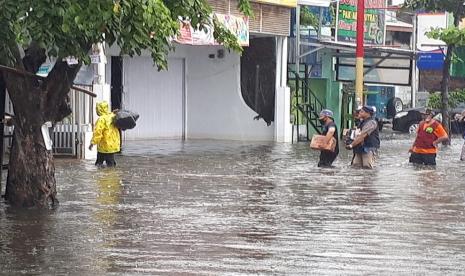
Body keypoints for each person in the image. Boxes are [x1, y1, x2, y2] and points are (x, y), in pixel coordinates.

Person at [89, 101, 121, 167]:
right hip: (112, 146)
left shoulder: (101, 119)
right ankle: (111, 175)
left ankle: (102, 175)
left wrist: (92, 143)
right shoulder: (112, 116)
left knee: (99, 164)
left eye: (97, 109)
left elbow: (98, 132)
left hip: (104, 146)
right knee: (111, 164)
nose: (96, 111)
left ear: (99, 109)